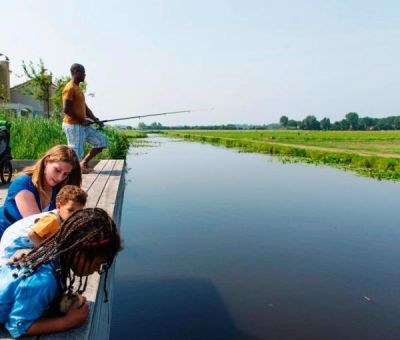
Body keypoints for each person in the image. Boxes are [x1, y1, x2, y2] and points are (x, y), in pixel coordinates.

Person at [0, 208, 122, 338]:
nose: (98, 270)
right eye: (98, 264)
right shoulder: (43, 280)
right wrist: (67, 322)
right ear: (79, 254)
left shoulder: (52, 254)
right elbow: (17, 326)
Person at [0, 145, 82, 238]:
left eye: (65, 174)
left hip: (25, 241)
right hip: (5, 239)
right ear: (46, 161)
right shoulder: (23, 183)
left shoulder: (59, 188)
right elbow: (38, 227)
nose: (60, 177)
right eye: (57, 170)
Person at [0, 185, 88, 264]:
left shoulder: (64, 219)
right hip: (13, 244)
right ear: (58, 206)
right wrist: (46, 250)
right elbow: (32, 234)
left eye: (78, 212)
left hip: (25, 243)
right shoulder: (52, 219)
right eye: (70, 210)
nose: (74, 215)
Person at [62, 63, 108, 173]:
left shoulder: (78, 88)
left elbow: (85, 108)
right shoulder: (69, 88)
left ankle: (84, 163)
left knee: (101, 141)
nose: (85, 75)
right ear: (75, 72)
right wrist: (81, 120)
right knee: (76, 153)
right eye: (83, 72)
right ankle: (71, 175)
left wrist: (96, 120)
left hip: (82, 125)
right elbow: (66, 109)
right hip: (73, 125)